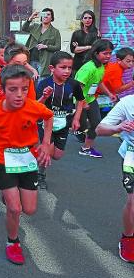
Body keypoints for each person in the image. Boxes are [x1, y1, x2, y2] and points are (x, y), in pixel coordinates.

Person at [0, 64, 54, 265]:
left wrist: (46, 143)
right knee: (15, 208)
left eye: (24, 88)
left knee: (29, 210)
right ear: (2, 91)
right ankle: (12, 242)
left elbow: (49, 117)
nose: (19, 95)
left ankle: (10, 197)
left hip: (27, 159)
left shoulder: (33, 106)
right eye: (13, 90)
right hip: (3, 159)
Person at [35, 51, 85, 189]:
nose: (67, 71)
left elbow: (81, 100)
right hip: (46, 124)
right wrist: (44, 97)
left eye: (70, 68)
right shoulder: (43, 84)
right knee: (47, 152)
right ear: (52, 68)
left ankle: (35, 156)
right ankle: (40, 175)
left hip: (63, 123)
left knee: (57, 155)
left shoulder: (73, 84)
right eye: (63, 67)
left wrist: (76, 118)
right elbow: (36, 106)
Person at [95, 94, 134, 263]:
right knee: (133, 201)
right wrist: (119, 128)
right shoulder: (127, 103)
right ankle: (128, 238)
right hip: (132, 156)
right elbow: (100, 129)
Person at [74, 39, 117, 158]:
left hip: (91, 99)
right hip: (80, 100)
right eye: (105, 53)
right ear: (96, 53)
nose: (108, 56)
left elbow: (99, 82)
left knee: (96, 123)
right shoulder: (89, 68)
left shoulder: (101, 66)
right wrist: (82, 103)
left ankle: (86, 148)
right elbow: (77, 87)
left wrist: (109, 94)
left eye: (110, 53)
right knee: (79, 125)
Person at [22, 8, 61, 77]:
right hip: (31, 59)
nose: (45, 16)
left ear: (52, 18)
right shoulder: (35, 26)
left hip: (44, 61)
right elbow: (24, 28)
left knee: (42, 80)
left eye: (48, 14)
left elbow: (58, 47)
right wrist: (30, 18)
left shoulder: (55, 31)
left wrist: (46, 46)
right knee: (30, 80)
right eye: (44, 14)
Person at [70, 10, 100, 75]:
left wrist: (79, 48)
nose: (87, 20)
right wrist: (89, 47)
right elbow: (73, 50)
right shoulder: (76, 34)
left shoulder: (97, 33)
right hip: (77, 65)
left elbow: (96, 49)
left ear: (93, 20)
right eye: (85, 18)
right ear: (82, 20)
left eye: (90, 18)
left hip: (91, 64)